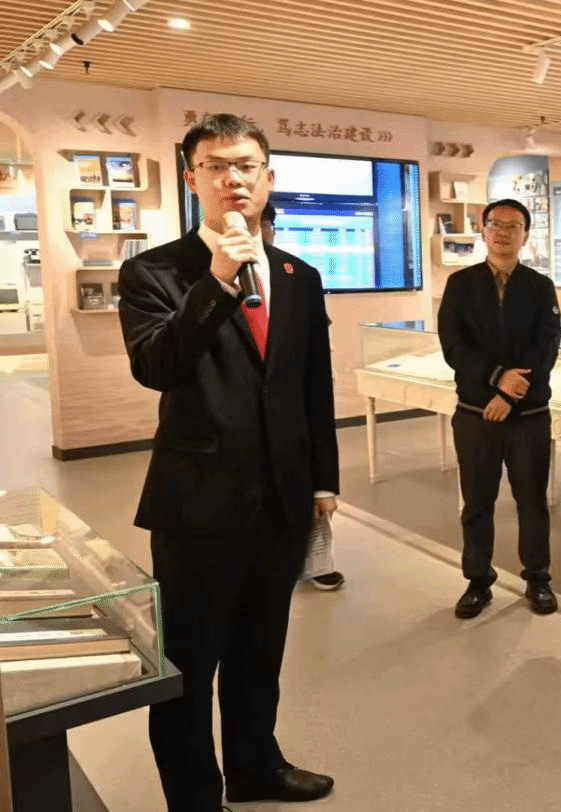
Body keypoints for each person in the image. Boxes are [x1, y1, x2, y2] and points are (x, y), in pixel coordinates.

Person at [118, 114, 336, 810]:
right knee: (188, 665)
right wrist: (215, 281)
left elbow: (313, 385)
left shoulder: (299, 275)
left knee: (260, 652)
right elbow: (156, 367)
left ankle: (254, 766)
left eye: (245, 165)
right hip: (197, 506)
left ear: (269, 177)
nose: (232, 178)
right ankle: (194, 796)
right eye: (215, 166)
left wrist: (323, 480)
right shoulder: (153, 271)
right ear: (192, 180)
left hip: (281, 500)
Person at [439, 198, 561, 619]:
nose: (504, 232)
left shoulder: (540, 287)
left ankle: (538, 578)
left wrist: (508, 395)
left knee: (532, 500)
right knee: (477, 502)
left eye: (514, 225)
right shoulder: (461, 284)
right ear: (483, 229)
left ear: (525, 234)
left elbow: (546, 347)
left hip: (528, 416)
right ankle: (478, 580)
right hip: (476, 414)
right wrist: (496, 379)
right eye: (496, 224)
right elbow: (453, 346)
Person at [258, 201, 345, 593]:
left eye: (265, 223)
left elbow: (316, 355)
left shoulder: (298, 275)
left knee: (307, 492)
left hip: (294, 407)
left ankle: (317, 561)